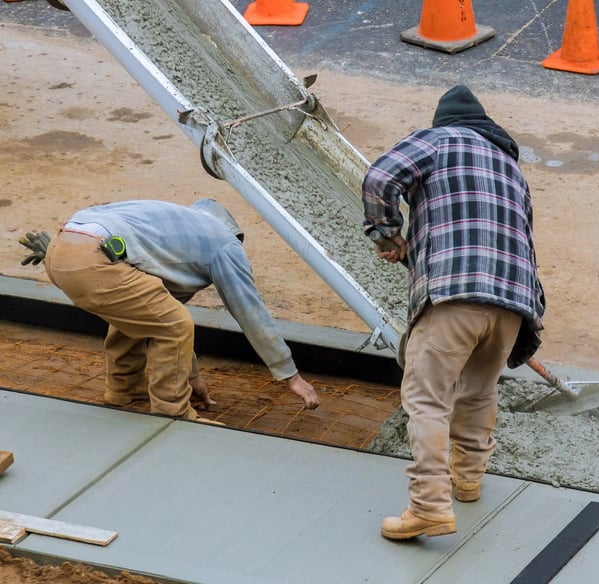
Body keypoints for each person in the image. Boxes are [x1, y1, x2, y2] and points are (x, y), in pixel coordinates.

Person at [362, 85, 545, 540]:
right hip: (512, 304)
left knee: (427, 399)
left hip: (453, 295)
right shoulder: (511, 168)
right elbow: (523, 239)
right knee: (478, 393)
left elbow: (380, 178)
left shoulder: (438, 140)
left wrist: (388, 235)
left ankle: (428, 506)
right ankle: (467, 481)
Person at [19, 198, 319, 422]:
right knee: (176, 326)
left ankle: (125, 389)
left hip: (59, 248)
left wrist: (190, 376)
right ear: (234, 233)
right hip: (95, 256)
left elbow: (155, 309)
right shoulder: (224, 243)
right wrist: (289, 374)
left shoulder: (168, 228)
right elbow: (250, 312)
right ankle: (172, 412)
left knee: (138, 313)